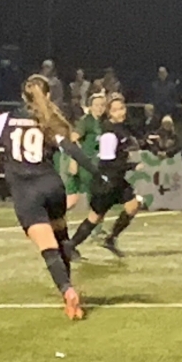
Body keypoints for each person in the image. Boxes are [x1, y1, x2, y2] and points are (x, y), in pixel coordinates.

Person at [0, 73, 94, 320]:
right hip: (52, 186)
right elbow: (72, 149)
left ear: (23, 96)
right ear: (48, 95)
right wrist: (96, 172)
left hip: (27, 191)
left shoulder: (6, 119)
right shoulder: (51, 121)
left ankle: (67, 291)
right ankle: (69, 291)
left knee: (48, 248)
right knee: (61, 238)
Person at [71, 93, 144, 257]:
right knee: (95, 217)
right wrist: (132, 166)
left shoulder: (122, 127)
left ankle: (111, 239)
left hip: (117, 180)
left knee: (133, 205)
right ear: (109, 113)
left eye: (122, 108)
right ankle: (70, 246)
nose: (120, 112)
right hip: (107, 181)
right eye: (115, 110)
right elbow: (108, 163)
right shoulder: (108, 133)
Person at [64, 88, 108, 213]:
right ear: (91, 107)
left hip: (100, 161)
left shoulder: (104, 122)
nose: (100, 108)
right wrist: (74, 159)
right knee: (91, 189)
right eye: (97, 105)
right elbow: (73, 138)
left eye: (102, 105)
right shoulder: (86, 121)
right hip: (87, 161)